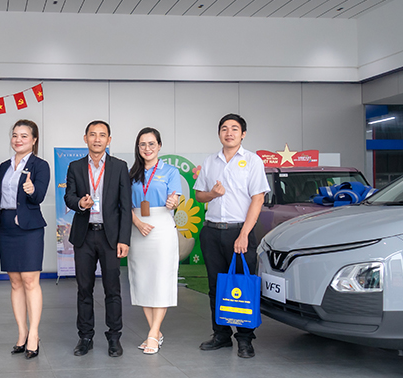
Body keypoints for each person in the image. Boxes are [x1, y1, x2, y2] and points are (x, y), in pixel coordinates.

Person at [193, 113, 269, 359]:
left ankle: (245, 339)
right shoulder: (210, 162)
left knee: (242, 285)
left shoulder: (252, 161)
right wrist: (213, 194)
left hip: (239, 231)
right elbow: (200, 196)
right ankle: (221, 335)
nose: (229, 133)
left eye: (234, 129)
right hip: (211, 231)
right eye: (224, 128)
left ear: (243, 134)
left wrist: (244, 234)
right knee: (216, 286)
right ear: (219, 133)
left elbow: (258, 199)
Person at [64, 120, 131, 357]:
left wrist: (124, 239)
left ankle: (114, 337)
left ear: (109, 140)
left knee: (113, 289)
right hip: (84, 236)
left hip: (110, 237)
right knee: (84, 289)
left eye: (102, 135)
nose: (97, 139)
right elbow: (69, 197)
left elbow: (125, 206)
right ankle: (85, 337)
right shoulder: (75, 166)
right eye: (92, 134)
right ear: (85, 138)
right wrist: (80, 203)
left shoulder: (119, 167)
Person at [0, 120, 50, 360]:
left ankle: (34, 334)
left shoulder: (40, 165)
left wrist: (31, 190)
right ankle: (22, 333)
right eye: (15, 135)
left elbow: (39, 196)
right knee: (15, 281)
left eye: (24, 136)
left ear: (34, 140)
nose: (18, 140)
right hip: (6, 226)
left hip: (29, 228)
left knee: (30, 280)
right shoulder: (3, 166)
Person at [128, 128, 182, 355]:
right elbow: (124, 204)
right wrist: (137, 223)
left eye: (151, 144)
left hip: (161, 227)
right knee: (142, 280)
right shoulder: (131, 173)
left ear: (159, 146)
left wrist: (173, 202)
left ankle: (152, 333)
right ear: (138, 147)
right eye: (142, 144)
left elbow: (175, 198)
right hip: (137, 226)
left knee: (160, 279)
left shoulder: (170, 171)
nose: (147, 148)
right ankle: (155, 332)